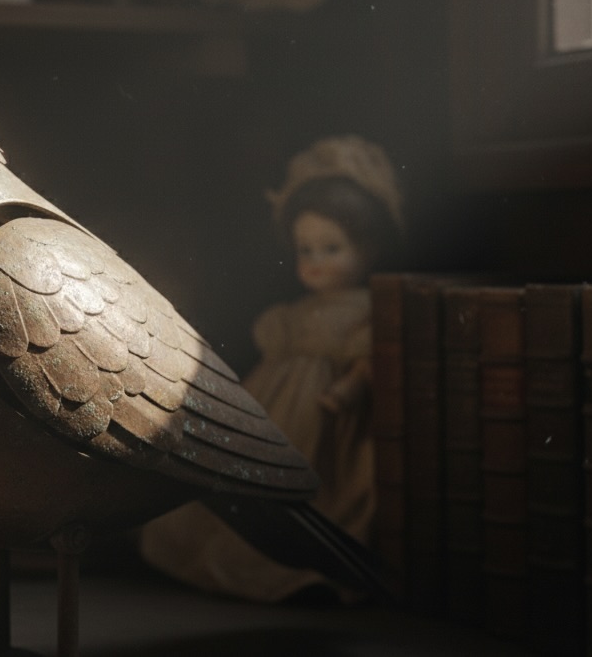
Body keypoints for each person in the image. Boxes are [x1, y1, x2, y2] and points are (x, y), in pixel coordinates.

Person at [139, 135, 402, 604]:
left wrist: (346, 392)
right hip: (279, 408)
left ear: (369, 250)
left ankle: (306, 572)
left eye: (332, 249)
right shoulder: (292, 316)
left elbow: (367, 362)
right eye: (306, 250)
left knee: (324, 490)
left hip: (329, 420)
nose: (316, 263)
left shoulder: (364, 311)